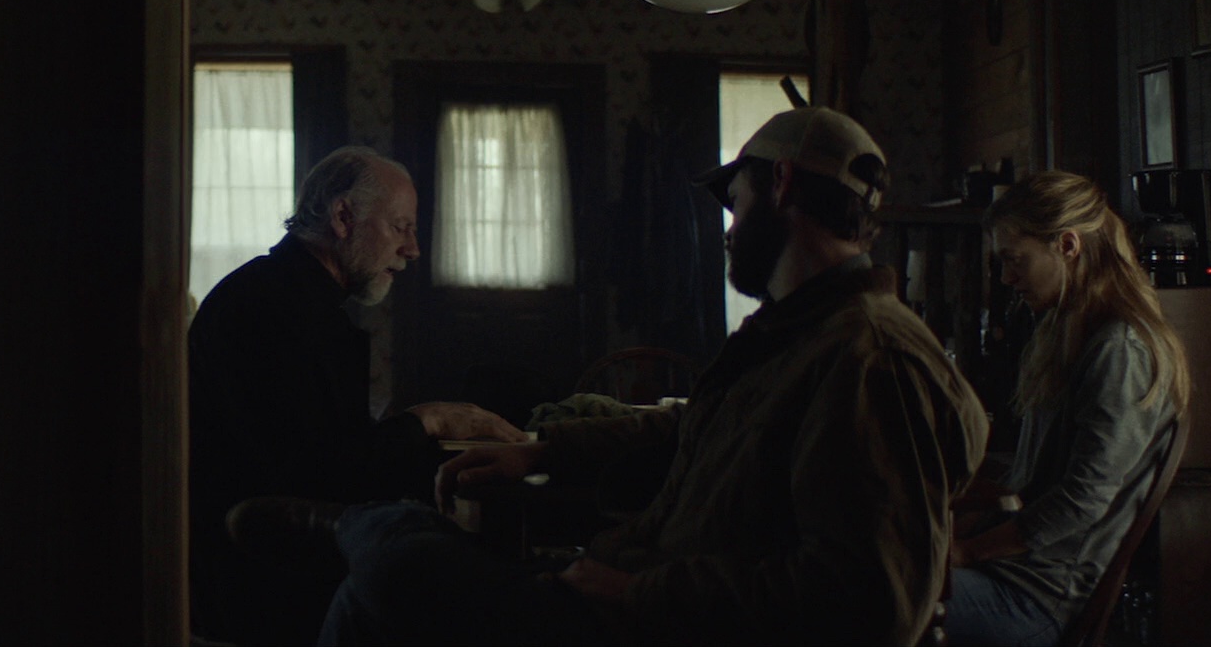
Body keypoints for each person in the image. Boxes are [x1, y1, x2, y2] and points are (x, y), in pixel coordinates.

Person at [227, 107, 991, 646]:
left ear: (783, 184)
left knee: (399, 570)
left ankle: (351, 528)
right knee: (384, 579)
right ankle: (362, 529)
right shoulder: (793, 335)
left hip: (645, 622)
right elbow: (687, 423)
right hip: (619, 589)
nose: (728, 230)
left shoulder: (870, 359)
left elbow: (875, 604)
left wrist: (638, 592)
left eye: (735, 202)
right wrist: (543, 450)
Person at [189, 144, 527, 646]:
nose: (412, 249)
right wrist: (428, 421)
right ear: (343, 217)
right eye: (400, 227)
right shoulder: (277, 312)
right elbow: (327, 473)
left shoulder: (284, 295)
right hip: (260, 586)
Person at [942, 171, 1189, 646]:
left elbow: (1083, 499)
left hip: (1035, 597)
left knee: (870, 601)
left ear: (1068, 245)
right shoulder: (1066, 330)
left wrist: (969, 551)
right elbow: (1032, 483)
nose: (1006, 278)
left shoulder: (1119, 349)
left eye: (1015, 260)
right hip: (1011, 574)